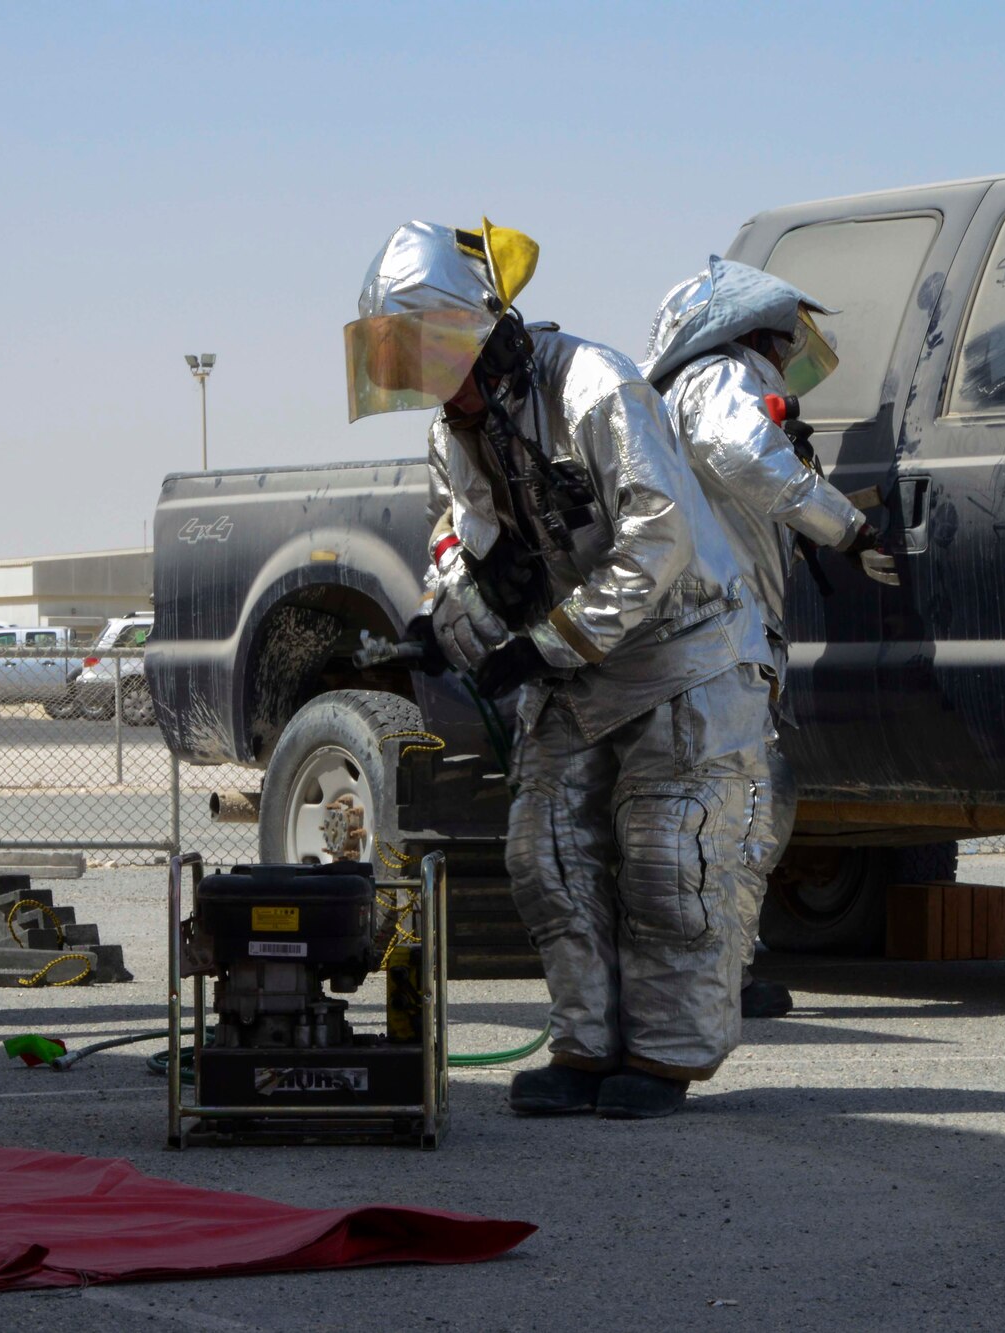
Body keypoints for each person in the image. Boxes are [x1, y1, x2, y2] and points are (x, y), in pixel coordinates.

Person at [345, 221, 778, 1119]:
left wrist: (546, 643)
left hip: (684, 647)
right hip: (576, 658)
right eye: (404, 360)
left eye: (429, 353)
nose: (422, 380)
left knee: (670, 851)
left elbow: (659, 537)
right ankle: (585, 1046)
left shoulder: (597, 386)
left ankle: (664, 1056)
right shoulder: (454, 433)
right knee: (544, 849)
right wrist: (451, 616)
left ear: (482, 332)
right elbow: (461, 540)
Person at [641, 258, 899, 1019]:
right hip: (720, 635)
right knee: (750, 796)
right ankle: (716, 969)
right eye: (787, 338)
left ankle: (695, 965)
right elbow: (746, 453)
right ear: (752, 330)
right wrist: (846, 528)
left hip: (696, 633)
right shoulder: (726, 376)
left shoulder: (682, 391)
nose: (792, 354)